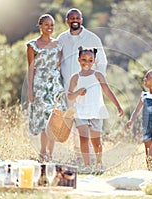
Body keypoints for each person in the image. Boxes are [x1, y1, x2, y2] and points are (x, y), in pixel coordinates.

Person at [57, 8, 108, 165]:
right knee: (77, 126)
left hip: (90, 91)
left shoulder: (92, 38)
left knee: (93, 127)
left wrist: (94, 82)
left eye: (77, 18)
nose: (75, 20)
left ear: (82, 20)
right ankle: (80, 160)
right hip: (70, 90)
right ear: (67, 20)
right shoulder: (62, 38)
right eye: (71, 18)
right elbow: (57, 61)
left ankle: (95, 160)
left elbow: (102, 62)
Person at [67, 46, 123, 173]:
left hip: (96, 111)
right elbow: (69, 96)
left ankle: (98, 163)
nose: (87, 62)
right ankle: (87, 166)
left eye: (90, 60)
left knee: (96, 141)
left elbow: (107, 91)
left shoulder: (98, 75)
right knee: (84, 139)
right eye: (84, 59)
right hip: (80, 111)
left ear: (94, 61)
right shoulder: (75, 77)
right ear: (78, 60)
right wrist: (78, 93)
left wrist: (118, 106)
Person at [26, 14, 66, 162]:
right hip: (40, 86)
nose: (50, 27)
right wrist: (30, 90)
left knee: (55, 119)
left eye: (52, 25)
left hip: (55, 85)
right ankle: (43, 153)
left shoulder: (58, 45)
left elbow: (60, 65)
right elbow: (31, 68)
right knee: (44, 121)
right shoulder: (32, 45)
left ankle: (50, 153)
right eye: (46, 24)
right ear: (40, 26)